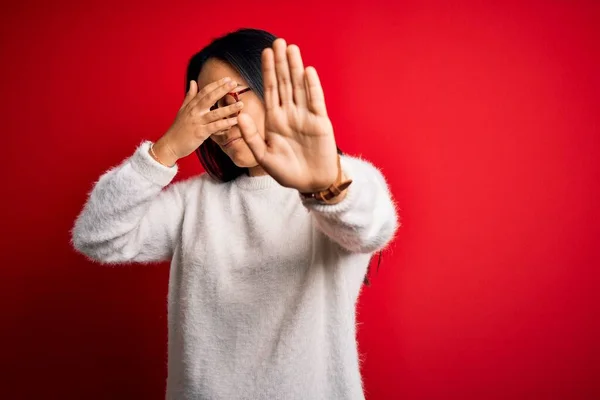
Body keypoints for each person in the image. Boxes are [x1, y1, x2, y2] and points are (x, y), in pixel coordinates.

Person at [71, 28, 398, 400]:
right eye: (207, 109)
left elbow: (371, 229)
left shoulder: (342, 182)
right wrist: (164, 151)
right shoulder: (192, 203)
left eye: (230, 98)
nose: (221, 122)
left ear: (272, 89)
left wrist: (325, 185)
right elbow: (97, 237)